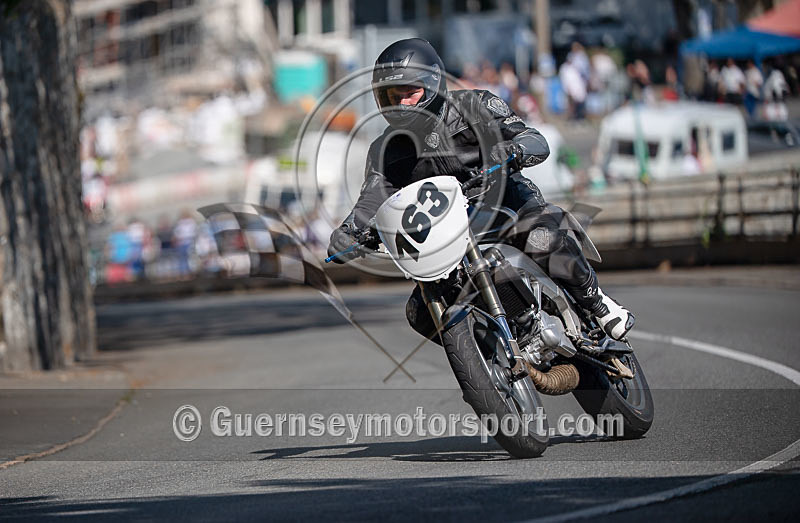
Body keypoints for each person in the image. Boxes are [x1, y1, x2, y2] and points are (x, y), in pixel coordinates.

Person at [327, 38, 634, 341]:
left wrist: (513, 150)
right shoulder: (385, 149)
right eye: (393, 95)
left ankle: (597, 304)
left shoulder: (476, 105)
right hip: (446, 238)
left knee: (543, 237)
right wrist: (349, 232)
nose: (402, 102)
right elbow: (372, 197)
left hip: (507, 207)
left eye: (410, 92)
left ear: (433, 85)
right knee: (419, 311)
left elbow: (534, 140)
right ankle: (488, 355)